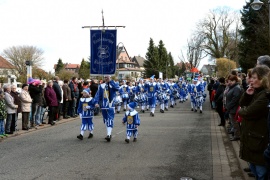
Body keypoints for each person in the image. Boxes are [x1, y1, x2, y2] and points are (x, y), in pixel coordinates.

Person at [238, 65, 270, 180]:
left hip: (259, 141)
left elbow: (246, 112)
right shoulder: (256, 92)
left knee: (261, 174)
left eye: (254, 77)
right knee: (256, 172)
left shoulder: (265, 96)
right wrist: (247, 94)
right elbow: (241, 104)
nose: (251, 80)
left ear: (263, 79)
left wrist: (242, 111)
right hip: (252, 139)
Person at [94, 75, 120, 142]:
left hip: (111, 105)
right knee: (105, 120)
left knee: (110, 119)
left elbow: (117, 88)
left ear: (110, 77)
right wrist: (96, 102)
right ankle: (109, 133)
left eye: (107, 77)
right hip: (103, 106)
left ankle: (108, 134)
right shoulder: (101, 86)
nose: (106, 78)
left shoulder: (113, 84)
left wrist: (110, 81)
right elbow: (98, 95)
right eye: (105, 77)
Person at [225, 75, 242, 141]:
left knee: (235, 123)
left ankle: (237, 135)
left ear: (235, 81)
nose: (231, 82)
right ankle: (236, 134)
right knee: (233, 122)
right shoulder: (232, 87)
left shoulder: (236, 88)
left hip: (234, 108)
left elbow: (235, 99)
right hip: (231, 107)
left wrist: (229, 106)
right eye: (230, 81)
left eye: (232, 81)